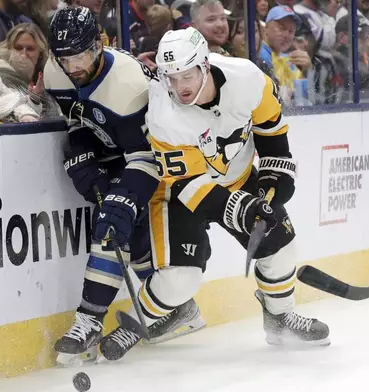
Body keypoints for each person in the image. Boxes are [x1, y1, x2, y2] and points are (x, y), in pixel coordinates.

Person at [109, 26, 331, 360]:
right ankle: (137, 323)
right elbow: (190, 185)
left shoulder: (247, 78)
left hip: (237, 176)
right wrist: (244, 209)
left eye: (186, 76)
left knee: (281, 250)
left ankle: (280, 317)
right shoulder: (163, 113)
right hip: (177, 191)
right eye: (171, 78)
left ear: (204, 66)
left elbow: (271, 132)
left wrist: (273, 179)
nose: (179, 87)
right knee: (180, 279)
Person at [44, 6, 206, 365]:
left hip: (166, 155)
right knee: (126, 234)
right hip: (124, 153)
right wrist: (81, 150)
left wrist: (122, 198)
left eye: (82, 56)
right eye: (65, 59)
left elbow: (147, 156)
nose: (74, 68)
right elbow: (78, 120)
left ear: (99, 45)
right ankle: (177, 307)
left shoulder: (129, 85)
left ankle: (89, 320)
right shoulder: (55, 73)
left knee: (114, 221)